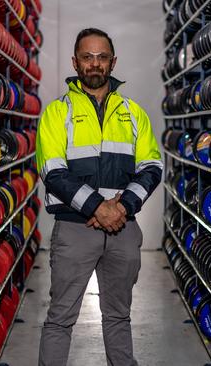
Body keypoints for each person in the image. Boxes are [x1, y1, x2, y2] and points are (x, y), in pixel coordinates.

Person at [35, 28, 163, 366]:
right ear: (75, 62)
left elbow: (152, 166)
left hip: (123, 229)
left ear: (112, 62)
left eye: (102, 57)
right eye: (88, 57)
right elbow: (53, 171)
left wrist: (122, 207)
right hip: (75, 231)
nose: (95, 64)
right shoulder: (57, 112)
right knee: (60, 318)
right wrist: (97, 207)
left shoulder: (133, 113)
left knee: (119, 317)